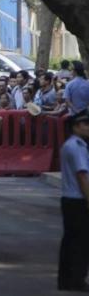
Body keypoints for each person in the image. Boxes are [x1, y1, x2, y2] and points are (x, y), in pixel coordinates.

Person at [57, 110, 89, 292]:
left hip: (69, 199)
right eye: (85, 124)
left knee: (70, 241)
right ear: (76, 127)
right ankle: (77, 279)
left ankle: (66, 280)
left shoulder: (70, 145)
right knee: (81, 243)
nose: (88, 128)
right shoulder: (78, 146)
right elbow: (82, 175)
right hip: (77, 199)